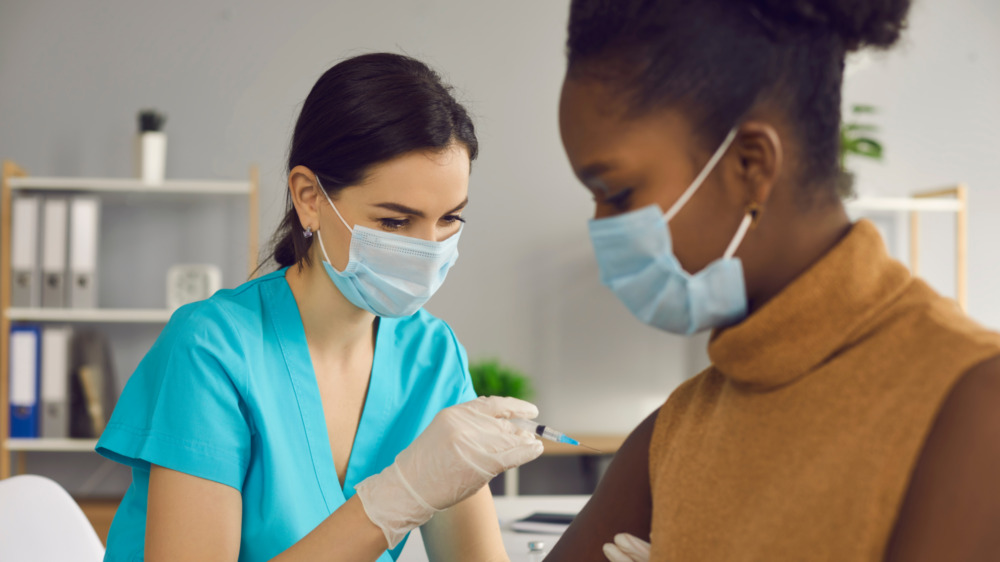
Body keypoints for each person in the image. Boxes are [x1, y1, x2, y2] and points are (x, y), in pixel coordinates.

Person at [550, 0, 1000, 560]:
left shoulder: (973, 406)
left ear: (751, 165)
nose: (602, 231)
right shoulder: (677, 432)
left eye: (617, 195)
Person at [96, 52, 543, 562]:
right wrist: (394, 500)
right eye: (396, 222)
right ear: (309, 197)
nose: (427, 249)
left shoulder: (432, 356)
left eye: (449, 220)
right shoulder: (212, 349)